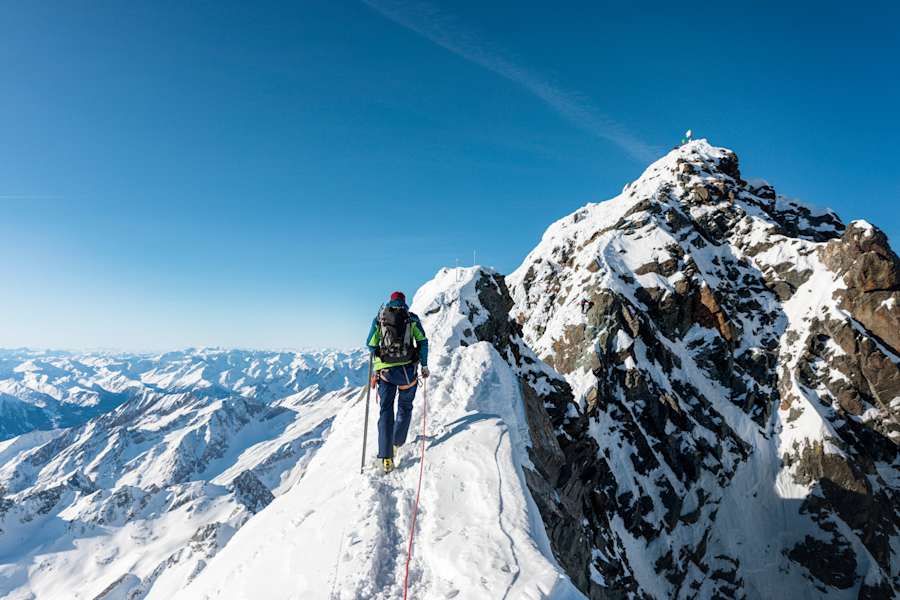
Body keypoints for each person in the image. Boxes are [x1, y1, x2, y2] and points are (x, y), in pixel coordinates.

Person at [365, 291, 429, 473]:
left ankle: (386, 458)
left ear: (390, 301)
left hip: (385, 373)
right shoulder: (411, 318)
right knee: (405, 407)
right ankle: (396, 443)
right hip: (407, 372)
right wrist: (424, 365)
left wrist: (380, 355)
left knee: (386, 410)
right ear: (404, 302)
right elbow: (423, 342)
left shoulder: (380, 319)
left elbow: (370, 344)